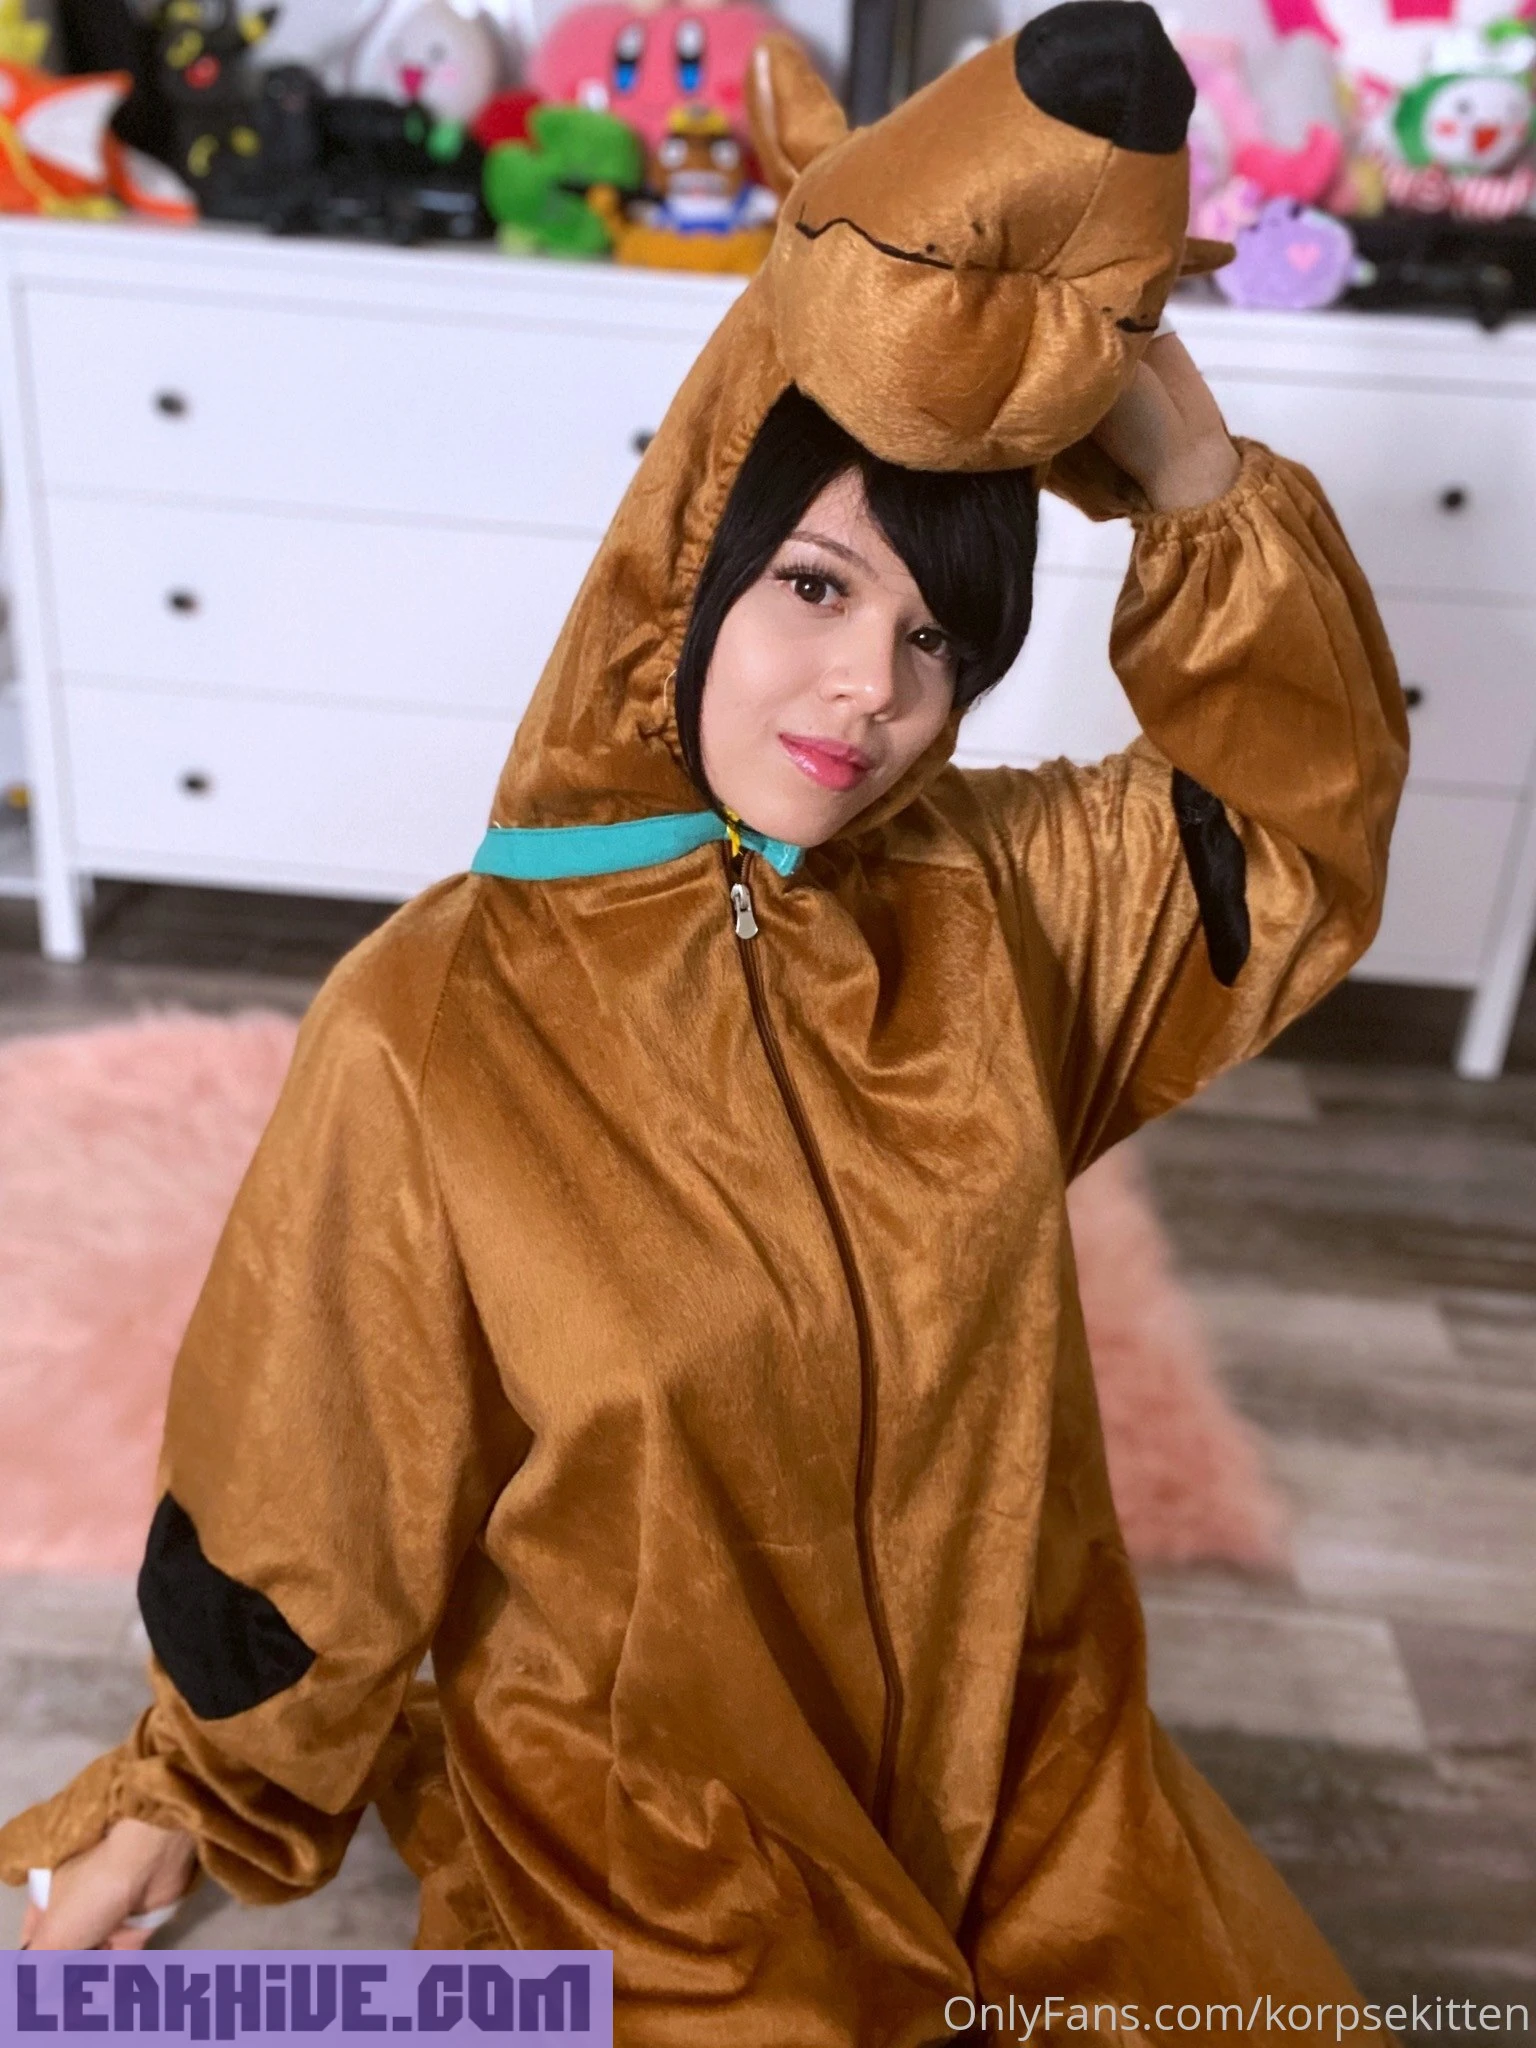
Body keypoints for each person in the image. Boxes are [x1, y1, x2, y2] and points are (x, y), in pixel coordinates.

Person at [2, 8, 1408, 2042]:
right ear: (694, 565)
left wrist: (1197, 483)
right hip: (667, 1873)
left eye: (935, 639)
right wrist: (182, 1800)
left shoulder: (1004, 902)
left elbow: (1291, 835)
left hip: (1038, 1806)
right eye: (817, 589)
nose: (871, 696)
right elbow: (312, 1482)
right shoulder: (433, 1023)